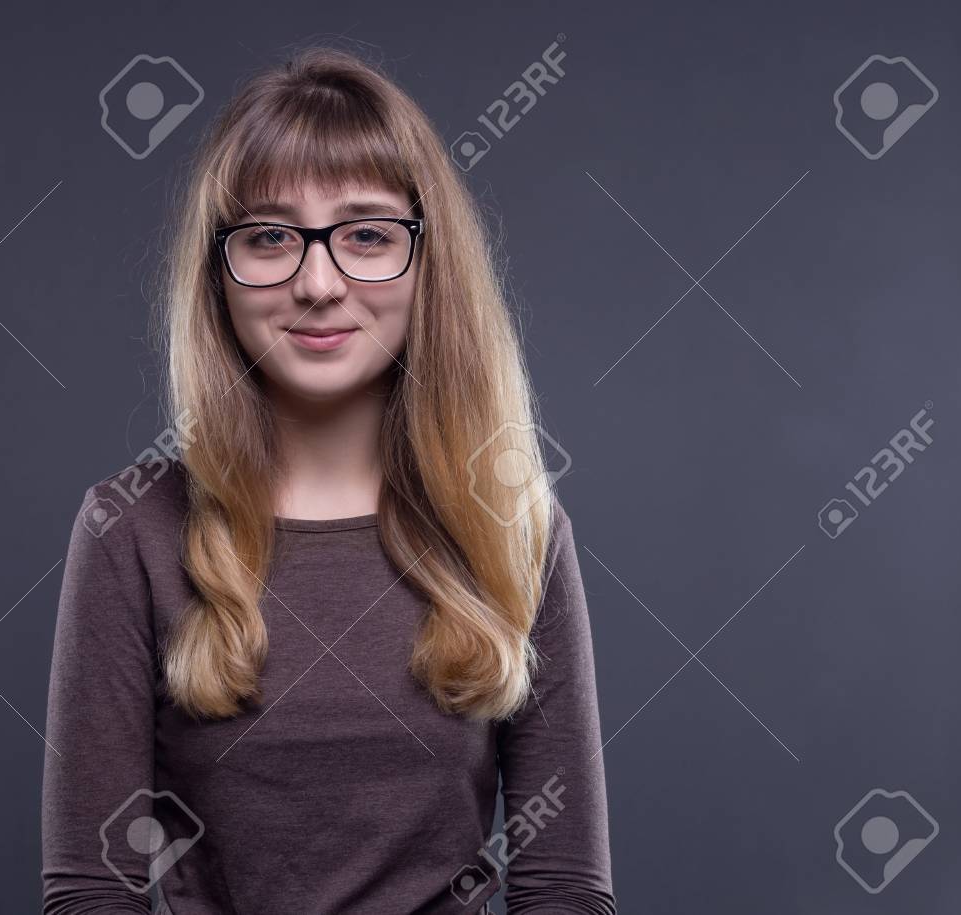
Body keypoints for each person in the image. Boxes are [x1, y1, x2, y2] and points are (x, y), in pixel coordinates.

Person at [41, 45, 617, 915]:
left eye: (369, 235)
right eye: (270, 236)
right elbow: (93, 891)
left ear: (430, 266)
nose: (317, 282)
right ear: (217, 273)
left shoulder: (517, 528)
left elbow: (564, 888)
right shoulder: (130, 529)